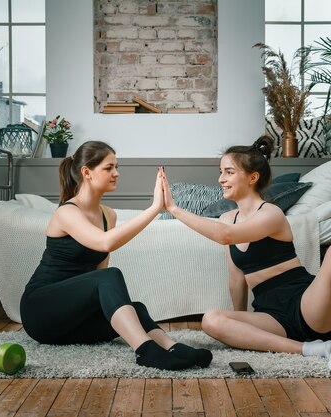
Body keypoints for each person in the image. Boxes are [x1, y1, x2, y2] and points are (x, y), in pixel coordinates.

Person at [161, 136, 331, 374]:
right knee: (211, 320)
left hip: (305, 304)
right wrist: (240, 322)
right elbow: (236, 278)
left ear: (252, 178)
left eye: (229, 172)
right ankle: (309, 349)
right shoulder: (227, 218)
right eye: (221, 172)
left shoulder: (271, 213)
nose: (221, 179)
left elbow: (225, 235)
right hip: (270, 315)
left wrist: (173, 208)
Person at [20, 140, 212, 371]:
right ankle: (145, 351)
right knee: (111, 277)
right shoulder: (67, 212)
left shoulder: (107, 215)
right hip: (41, 312)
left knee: (135, 308)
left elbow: (99, 273)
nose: (117, 173)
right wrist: (154, 209)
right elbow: (105, 244)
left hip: (71, 322)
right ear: (86, 172)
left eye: (116, 167)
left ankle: (172, 348)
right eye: (108, 168)